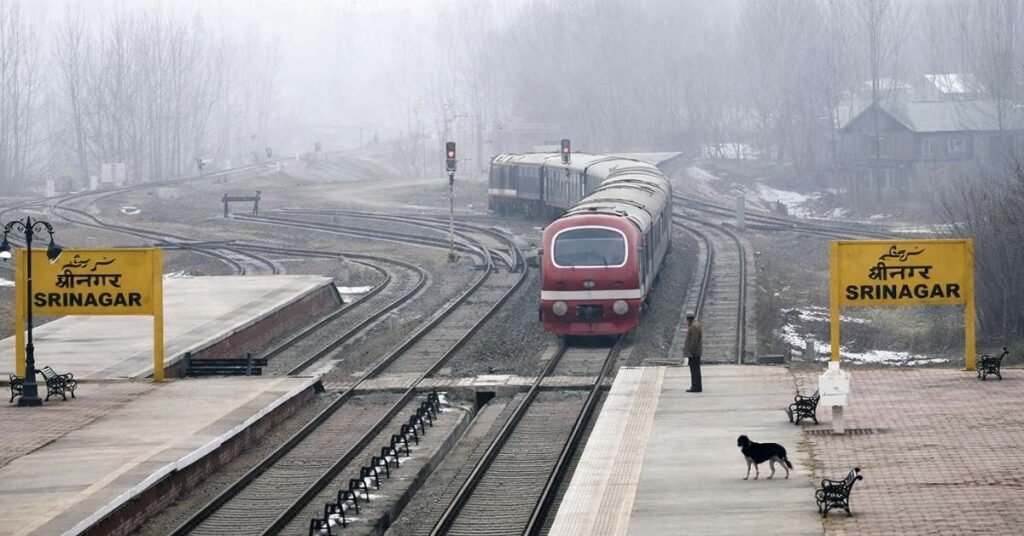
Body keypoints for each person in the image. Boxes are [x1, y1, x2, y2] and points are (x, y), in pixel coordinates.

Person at [684, 310, 702, 392]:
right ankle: (696, 386)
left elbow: (694, 341)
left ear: (689, 318)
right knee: (696, 370)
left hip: (694, 353)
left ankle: (695, 387)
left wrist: (691, 352)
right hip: (695, 352)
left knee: (694, 370)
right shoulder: (695, 325)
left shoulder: (693, 326)